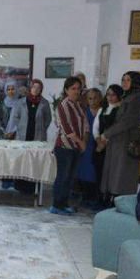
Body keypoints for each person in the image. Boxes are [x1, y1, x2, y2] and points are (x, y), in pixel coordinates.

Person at [98, 71, 140, 198]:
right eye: (123, 80)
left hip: (127, 141)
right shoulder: (129, 96)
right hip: (119, 140)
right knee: (116, 173)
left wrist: (106, 134)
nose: (124, 83)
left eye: (128, 80)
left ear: (136, 82)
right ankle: (112, 199)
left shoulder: (136, 98)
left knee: (122, 174)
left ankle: (120, 202)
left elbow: (126, 122)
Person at [5, 79, 52, 193]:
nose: (36, 89)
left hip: (38, 136)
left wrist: (41, 128)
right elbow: (15, 117)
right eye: (34, 87)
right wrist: (19, 127)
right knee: (22, 160)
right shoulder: (20, 102)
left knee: (35, 161)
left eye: (38, 88)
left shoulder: (44, 103)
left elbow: (48, 119)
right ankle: (20, 185)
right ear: (30, 88)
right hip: (23, 136)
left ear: (41, 90)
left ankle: (33, 187)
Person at [50, 76, 88, 215]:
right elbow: (66, 128)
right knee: (63, 176)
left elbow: (85, 124)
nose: (76, 91)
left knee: (70, 178)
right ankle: (56, 205)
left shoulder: (78, 105)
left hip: (76, 147)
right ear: (66, 90)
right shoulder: (63, 105)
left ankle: (64, 204)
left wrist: (84, 140)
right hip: (64, 147)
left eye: (78, 89)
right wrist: (80, 142)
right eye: (73, 88)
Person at [93, 84, 123, 207]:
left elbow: (117, 129)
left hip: (112, 147)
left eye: (113, 95)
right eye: (108, 94)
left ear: (119, 96)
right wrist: (98, 141)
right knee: (99, 173)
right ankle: (99, 199)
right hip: (99, 146)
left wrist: (104, 142)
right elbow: (95, 127)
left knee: (111, 174)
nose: (110, 97)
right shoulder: (102, 109)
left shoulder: (121, 110)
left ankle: (109, 201)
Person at [76, 88, 103, 206]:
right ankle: (85, 197)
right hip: (86, 145)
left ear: (100, 98)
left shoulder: (103, 112)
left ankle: (95, 197)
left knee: (96, 171)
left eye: (95, 98)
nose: (92, 101)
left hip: (99, 145)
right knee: (84, 170)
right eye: (90, 98)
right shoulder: (83, 112)